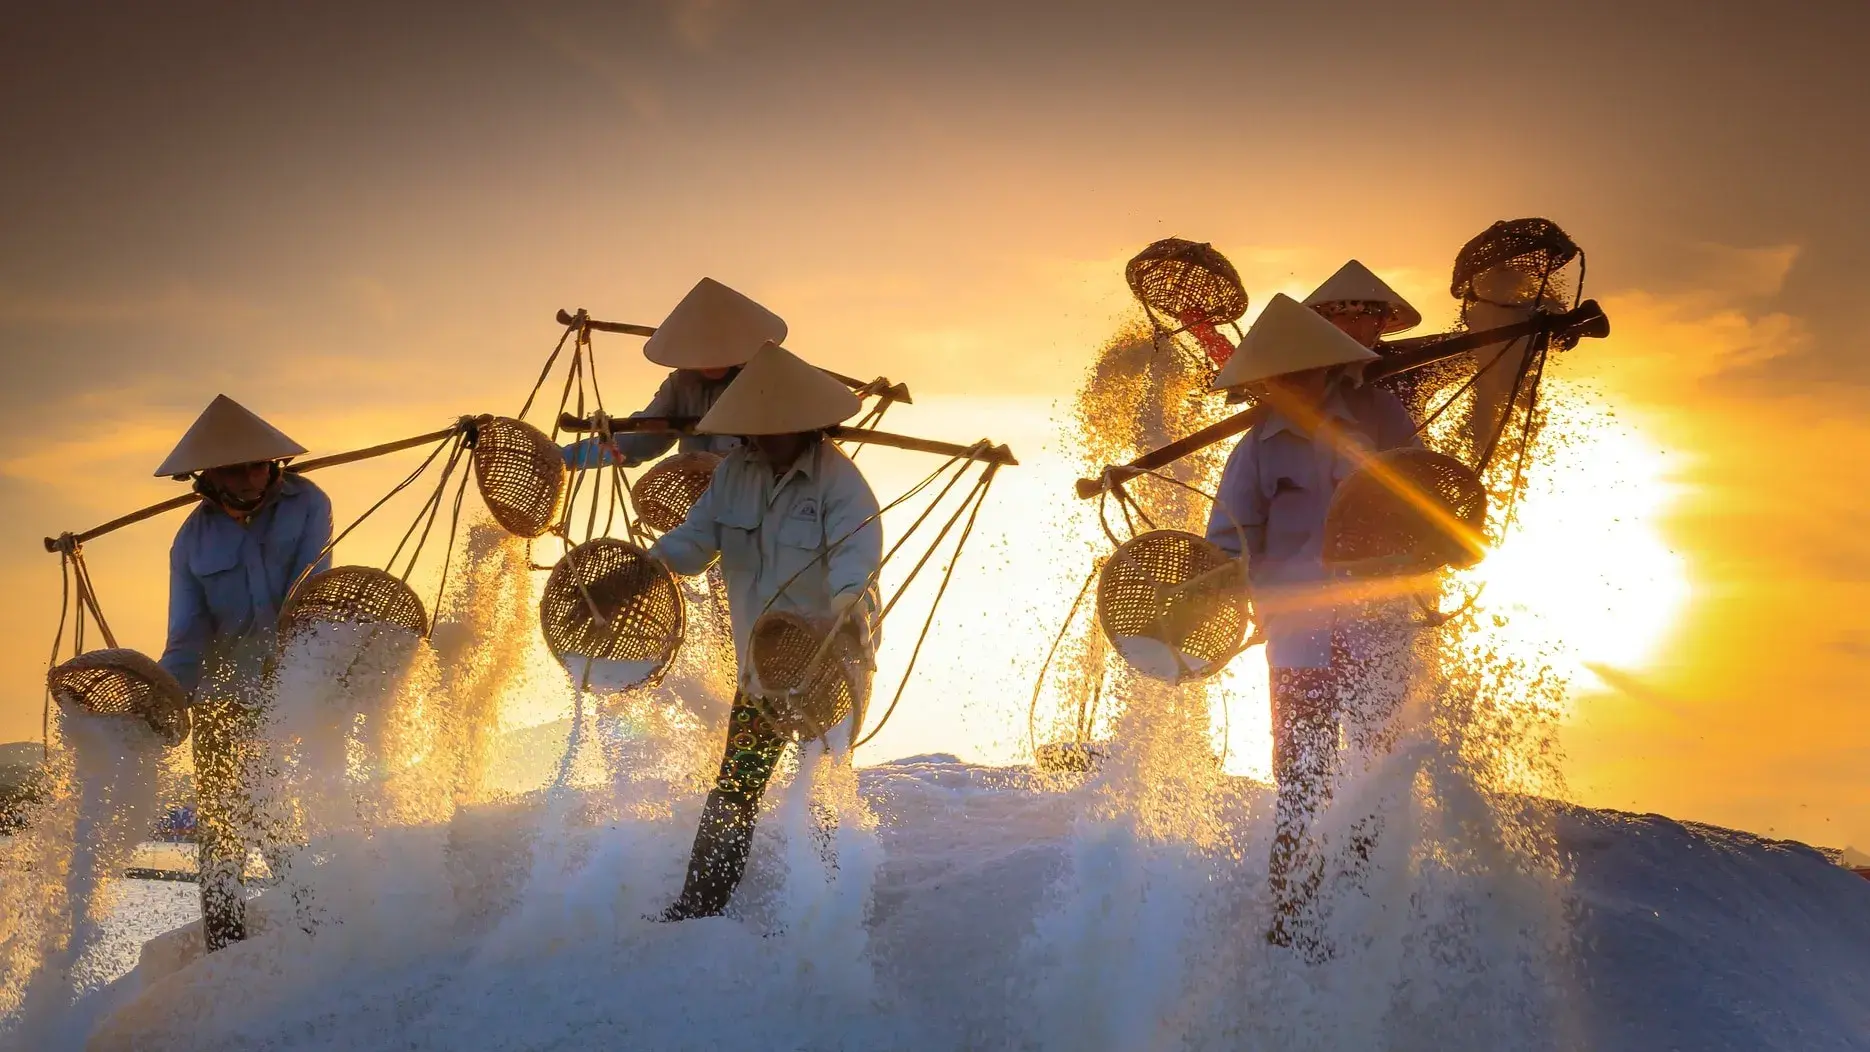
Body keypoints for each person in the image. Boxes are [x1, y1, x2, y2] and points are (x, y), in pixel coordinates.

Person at [1204, 294, 1420, 957]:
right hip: (1297, 638)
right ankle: (1292, 913)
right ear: (1264, 382)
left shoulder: (1379, 415)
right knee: (1300, 771)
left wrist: (1352, 452)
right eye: (1281, 377)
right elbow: (1227, 542)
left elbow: (1425, 495)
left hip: (1377, 624)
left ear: (1328, 369)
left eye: (1306, 372)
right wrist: (1219, 584)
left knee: (1376, 764)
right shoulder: (1255, 451)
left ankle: (1366, 900)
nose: (1294, 386)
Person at [646, 341, 883, 921]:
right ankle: (698, 910)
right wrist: (649, 566)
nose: (758, 440)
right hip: (761, 670)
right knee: (735, 789)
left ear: (805, 427)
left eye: (771, 430)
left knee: (824, 789)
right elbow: (695, 539)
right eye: (752, 430)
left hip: (830, 664)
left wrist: (845, 609)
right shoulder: (734, 474)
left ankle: (830, 917)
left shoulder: (840, 484)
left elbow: (859, 562)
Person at [154, 395, 333, 952]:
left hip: (294, 685)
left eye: (259, 463)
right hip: (221, 696)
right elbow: (186, 638)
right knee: (220, 830)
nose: (253, 475)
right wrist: (162, 698)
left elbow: (311, 594)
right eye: (237, 466)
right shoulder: (191, 541)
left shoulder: (309, 504)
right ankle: (225, 949)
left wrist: (292, 682)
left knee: (277, 813)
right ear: (208, 475)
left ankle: (316, 933)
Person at [560, 277, 787, 471]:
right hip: (703, 502)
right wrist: (565, 459)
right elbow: (640, 439)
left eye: (716, 349)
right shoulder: (681, 385)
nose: (707, 360)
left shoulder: (769, 380)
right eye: (698, 352)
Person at [1302, 259, 1422, 349]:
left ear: (1381, 323)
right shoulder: (1307, 366)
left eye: (1359, 315)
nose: (1351, 324)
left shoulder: (1400, 360)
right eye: (1343, 315)